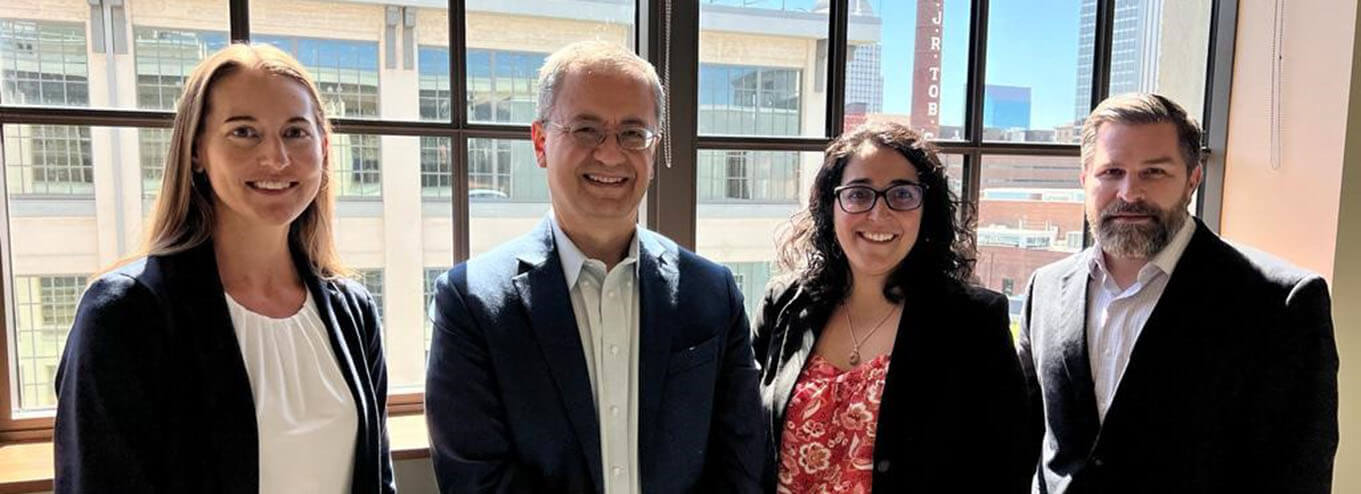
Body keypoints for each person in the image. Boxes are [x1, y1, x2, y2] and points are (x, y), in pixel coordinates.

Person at [424, 40, 764, 493]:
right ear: (541, 141)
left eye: (632, 133)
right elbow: (476, 481)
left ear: (654, 148)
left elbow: (742, 466)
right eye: (586, 129)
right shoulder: (471, 302)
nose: (610, 154)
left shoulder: (713, 292)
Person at [53, 44, 395, 493]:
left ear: (324, 148)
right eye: (244, 133)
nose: (276, 158)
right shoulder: (127, 313)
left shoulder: (354, 311)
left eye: (295, 132)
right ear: (196, 150)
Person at [1018, 93, 1339, 493]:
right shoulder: (1046, 289)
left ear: (1193, 179)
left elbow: (1297, 474)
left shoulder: (1280, 302)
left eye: (1153, 172)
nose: (1129, 193)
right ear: (1085, 179)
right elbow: (1020, 439)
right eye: (1111, 171)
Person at [751, 121, 1035, 493]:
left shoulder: (973, 323)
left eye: (901, 194)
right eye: (858, 194)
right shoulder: (784, 304)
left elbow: (1006, 471)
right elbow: (744, 438)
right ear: (830, 206)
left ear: (926, 207)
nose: (878, 214)